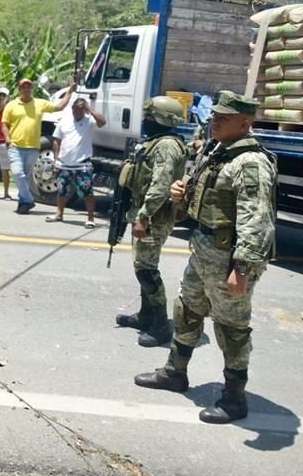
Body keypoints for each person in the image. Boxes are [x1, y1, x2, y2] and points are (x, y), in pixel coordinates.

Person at [135, 92, 277, 425]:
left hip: (228, 257)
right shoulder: (216, 152)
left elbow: (256, 220)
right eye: (214, 116)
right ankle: (175, 372)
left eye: (223, 118)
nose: (215, 121)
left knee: (231, 328)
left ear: (245, 123)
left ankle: (234, 398)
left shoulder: (250, 162)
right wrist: (180, 195)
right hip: (203, 248)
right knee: (188, 309)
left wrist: (241, 268)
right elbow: (199, 197)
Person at [114, 97, 189, 347]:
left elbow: (161, 184)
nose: (145, 121)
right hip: (146, 213)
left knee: (146, 269)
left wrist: (143, 217)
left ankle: (159, 325)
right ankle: (146, 315)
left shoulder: (167, 145)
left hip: (154, 217)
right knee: (141, 265)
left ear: (160, 119)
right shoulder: (157, 143)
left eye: (149, 116)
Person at [2, 79, 73, 215]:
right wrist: (8, 140)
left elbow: (59, 107)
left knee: (27, 177)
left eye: (29, 87)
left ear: (32, 89)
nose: (26, 89)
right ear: (19, 89)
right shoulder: (11, 105)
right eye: (24, 87)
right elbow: (4, 124)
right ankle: (29, 199)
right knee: (17, 173)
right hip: (15, 146)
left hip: (33, 147)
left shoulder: (39, 103)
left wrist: (69, 92)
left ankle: (23, 204)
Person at [50, 97, 107, 226]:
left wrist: (89, 108)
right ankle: (59, 214)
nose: (78, 112)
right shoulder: (64, 121)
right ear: (72, 109)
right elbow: (56, 140)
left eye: (81, 110)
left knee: (87, 191)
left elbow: (102, 122)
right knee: (62, 190)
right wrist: (55, 159)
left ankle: (90, 218)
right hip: (64, 163)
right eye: (76, 109)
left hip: (82, 163)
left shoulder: (89, 121)